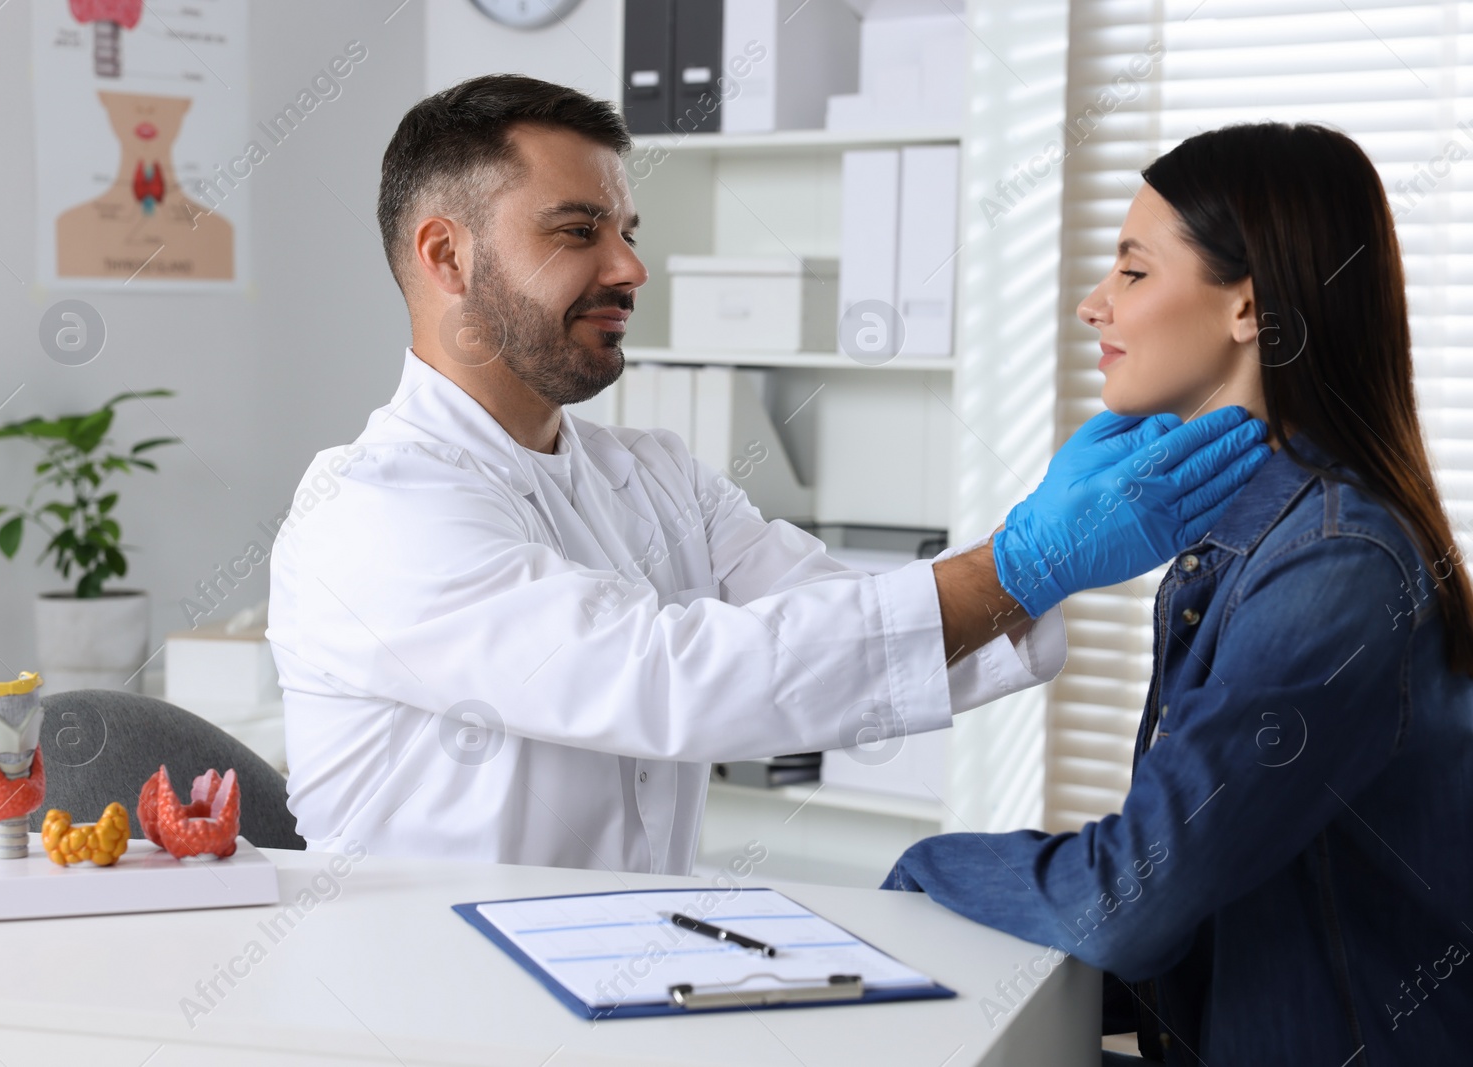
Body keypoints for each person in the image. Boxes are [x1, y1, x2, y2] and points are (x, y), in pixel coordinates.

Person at [264, 74, 1267, 875]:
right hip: (434, 1011)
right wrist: (1017, 562)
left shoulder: (650, 473)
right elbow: (669, 678)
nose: (629, 269)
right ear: (446, 255)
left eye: (628, 231)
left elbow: (835, 619)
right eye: (578, 231)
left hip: (608, 977)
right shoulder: (371, 512)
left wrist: (1029, 556)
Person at [882, 122, 1473, 1064]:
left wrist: (931, 867)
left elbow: (1134, 897)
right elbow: (1200, 885)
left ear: (1250, 306)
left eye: (1132, 271)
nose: (1092, 306)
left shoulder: (1335, 565)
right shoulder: (1251, 539)